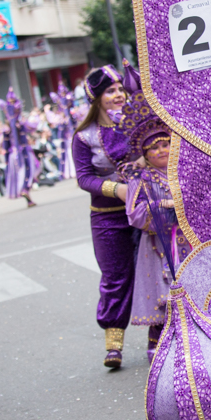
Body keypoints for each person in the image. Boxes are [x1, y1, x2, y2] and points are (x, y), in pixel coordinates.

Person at [73, 65, 137, 369]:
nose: (119, 95)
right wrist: (117, 190)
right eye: (111, 91)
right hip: (108, 217)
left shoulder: (135, 123)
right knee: (115, 277)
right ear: (97, 98)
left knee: (158, 272)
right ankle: (114, 343)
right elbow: (84, 179)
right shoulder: (84, 137)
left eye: (121, 89)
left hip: (145, 212)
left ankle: (158, 337)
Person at [123, 105, 192, 362]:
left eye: (165, 144)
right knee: (163, 295)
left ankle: (194, 339)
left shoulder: (183, 171)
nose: (161, 151)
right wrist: (163, 208)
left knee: (191, 288)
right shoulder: (140, 179)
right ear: (145, 154)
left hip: (187, 242)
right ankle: (158, 345)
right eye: (154, 148)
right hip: (157, 246)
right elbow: (135, 213)